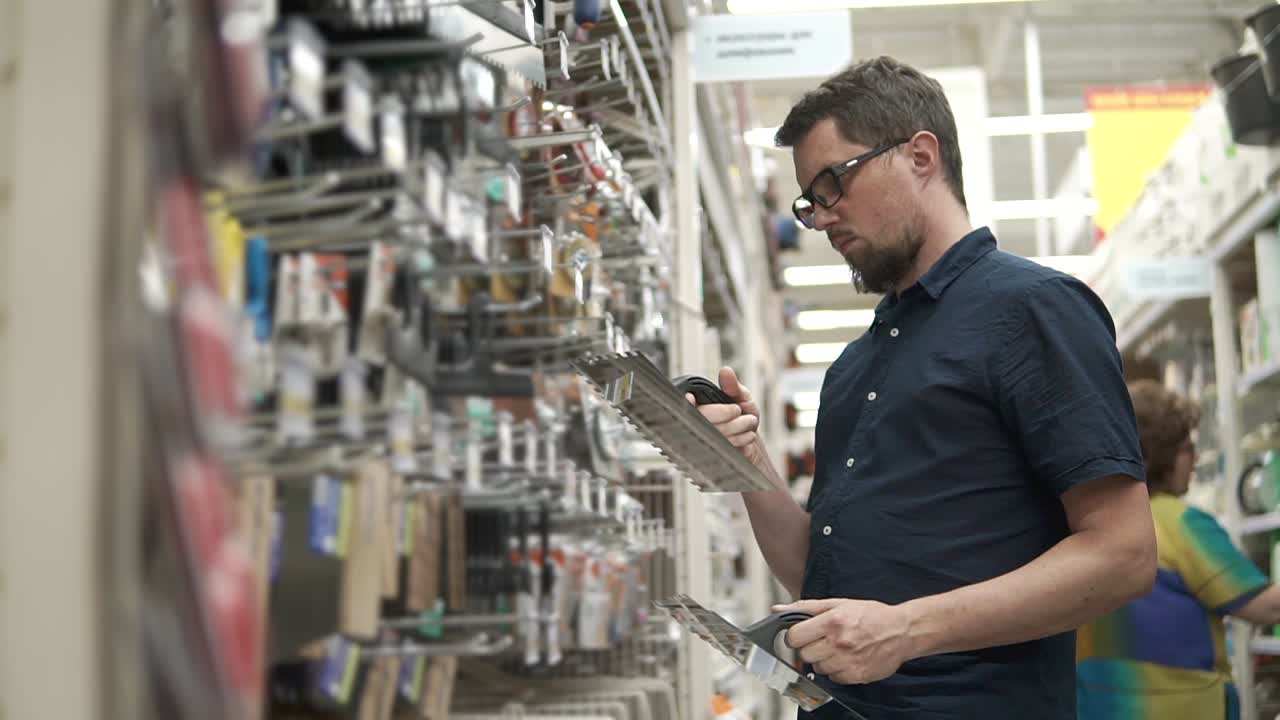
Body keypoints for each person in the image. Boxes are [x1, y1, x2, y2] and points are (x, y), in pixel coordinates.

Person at [689, 56, 1157, 719]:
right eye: (809, 201)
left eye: (832, 183)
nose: (820, 219)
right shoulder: (855, 368)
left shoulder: (1033, 310)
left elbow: (1124, 555)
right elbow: (818, 582)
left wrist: (905, 630)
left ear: (920, 155)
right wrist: (747, 463)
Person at [1077, 380, 1280, 720]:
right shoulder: (1181, 522)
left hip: (1098, 705)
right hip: (1181, 707)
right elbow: (1269, 608)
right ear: (1162, 454)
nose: (1196, 458)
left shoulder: (1091, 519)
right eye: (1188, 448)